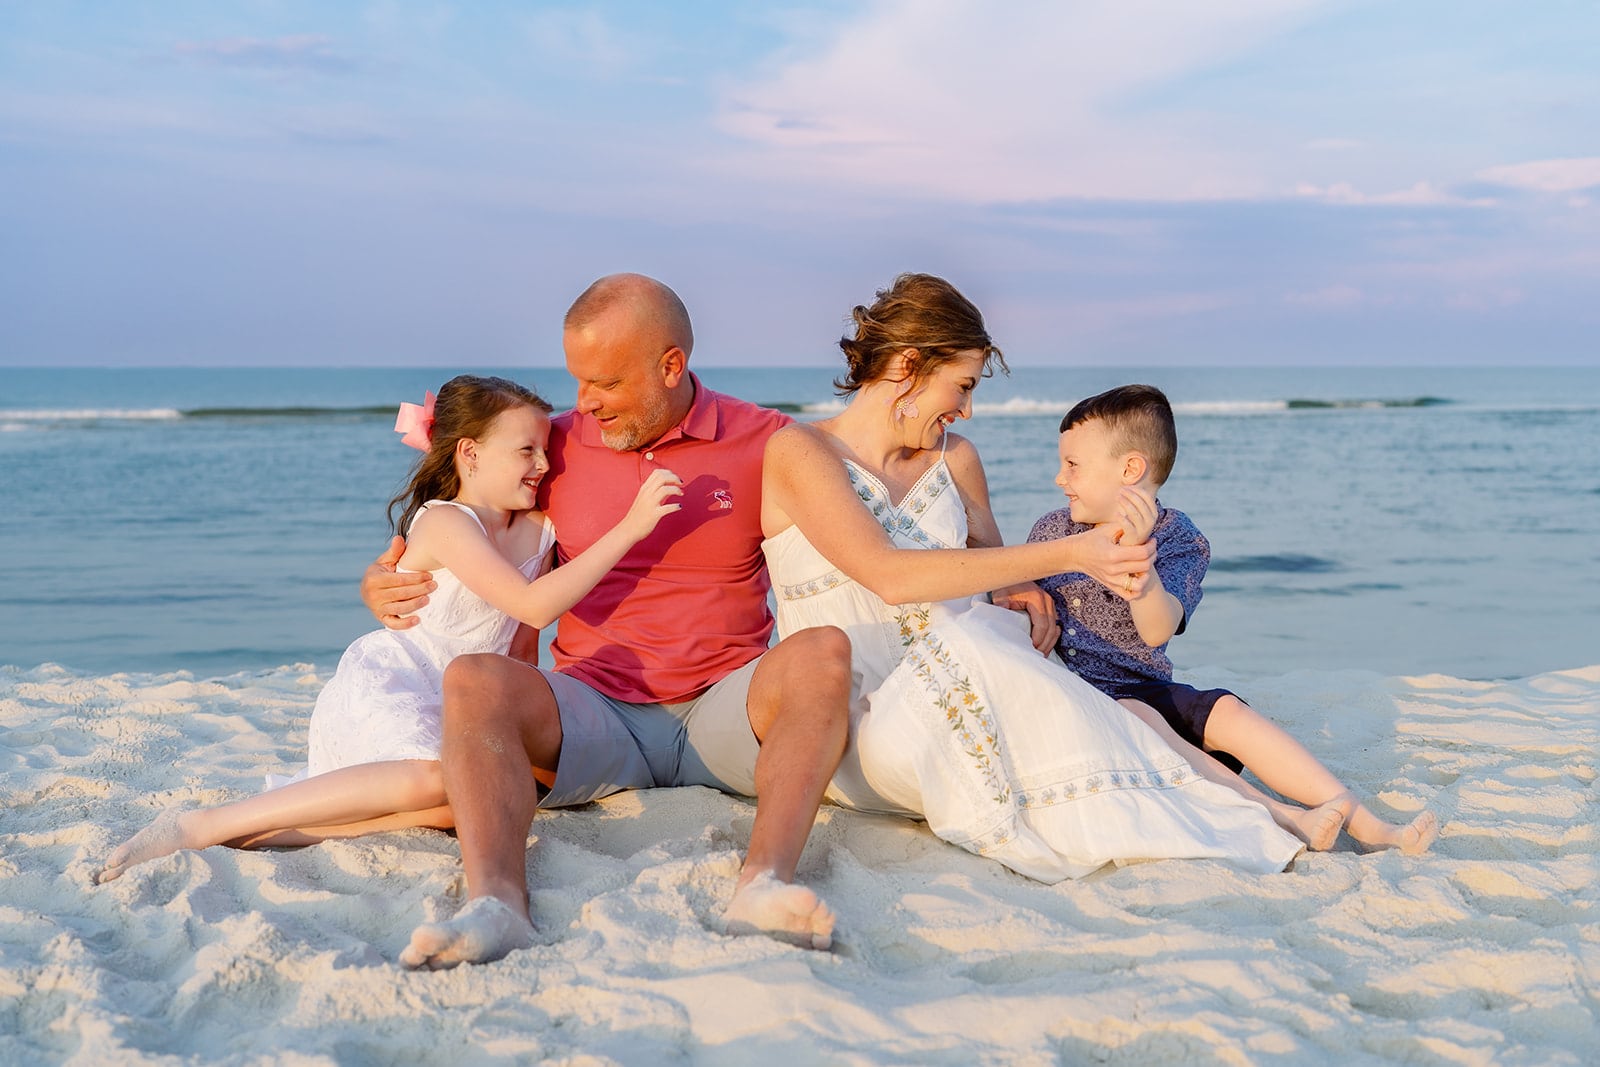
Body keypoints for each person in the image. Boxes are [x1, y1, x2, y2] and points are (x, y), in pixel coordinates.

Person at [365, 274, 959, 967]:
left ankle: (762, 882)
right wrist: (377, 581)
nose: (584, 402)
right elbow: (450, 527)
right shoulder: (551, 446)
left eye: (606, 383)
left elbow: (881, 554)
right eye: (578, 380)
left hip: (721, 711)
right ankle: (497, 903)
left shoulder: (764, 439)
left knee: (824, 651)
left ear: (670, 366)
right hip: (596, 711)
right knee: (474, 679)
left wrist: (1028, 572)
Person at [758, 272, 1317, 882]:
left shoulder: (957, 457)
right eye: (963, 385)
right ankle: (1261, 808)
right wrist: (1073, 553)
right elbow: (889, 576)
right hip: (860, 725)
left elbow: (995, 573)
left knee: (1011, 647)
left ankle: (1270, 811)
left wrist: (1021, 596)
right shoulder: (799, 453)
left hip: (974, 680)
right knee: (981, 643)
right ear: (909, 365)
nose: (966, 409)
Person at [97, 375, 683, 884]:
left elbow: (521, 644)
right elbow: (531, 605)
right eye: (526, 450)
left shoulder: (541, 529)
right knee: (441, 779)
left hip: (464, 698)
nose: (545, 464)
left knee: (479, 799)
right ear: (470, 454)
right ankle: (207, 823)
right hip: (399, 680)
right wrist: (631, 528)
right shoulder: (447, 522)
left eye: (546, 449)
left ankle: (293, 830)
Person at [1027, 383, 1439, 855]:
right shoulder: (1052, 531)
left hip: (1147, 688)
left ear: (1130, 469)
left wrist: (1139, 564)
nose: (1060, 478)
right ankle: (1282, 815)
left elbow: (1157, 629)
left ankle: (1367, 824)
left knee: (1229, 712)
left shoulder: (1178, 538)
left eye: (1073, 465)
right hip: (1080, 702)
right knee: (1133, 713)